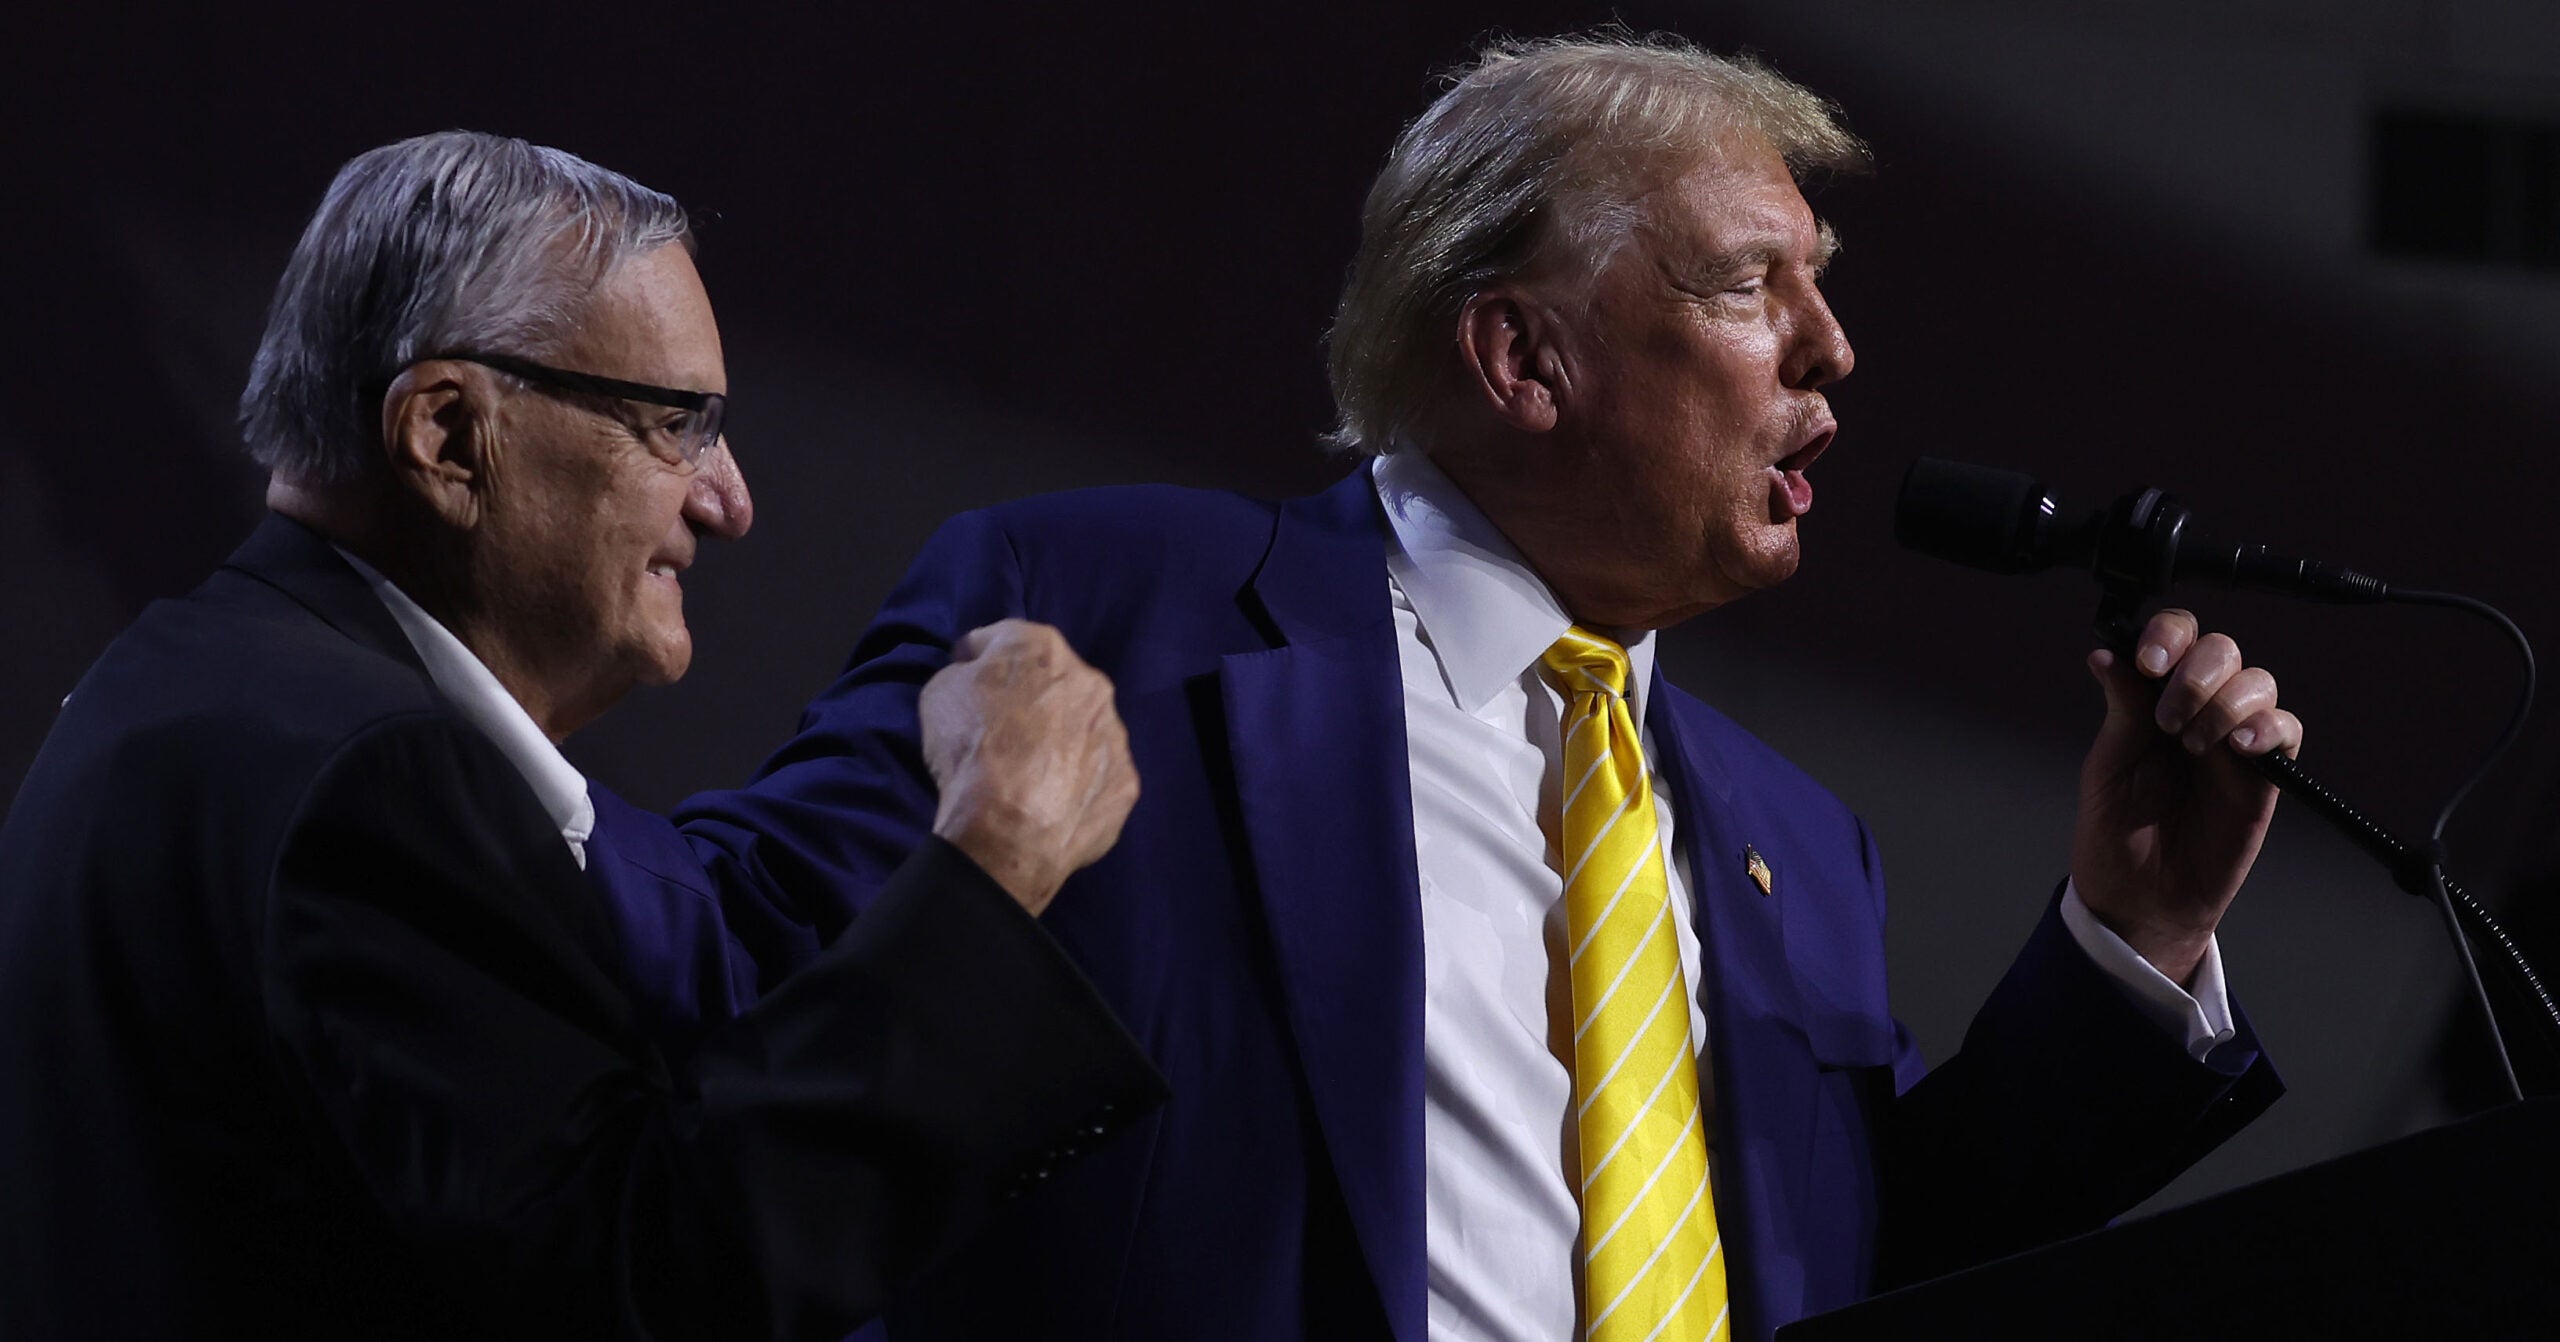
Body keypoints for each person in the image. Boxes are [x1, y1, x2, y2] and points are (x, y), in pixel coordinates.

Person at [596, 35, 2297, 1342]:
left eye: (1821, 283)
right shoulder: (1108, 609)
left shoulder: (1802, 842)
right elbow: (724, 967)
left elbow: (1863, 1271)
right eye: (1747, 281)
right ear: (1524, 357)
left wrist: (2132, 936)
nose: (1830, 345)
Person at [0, 131, 1163, 1340]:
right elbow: (642, 1282)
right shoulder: (372, 776)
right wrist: (992, 867)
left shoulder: (189, 680)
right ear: (448, 435)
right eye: (677, 425)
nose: (729, 501)